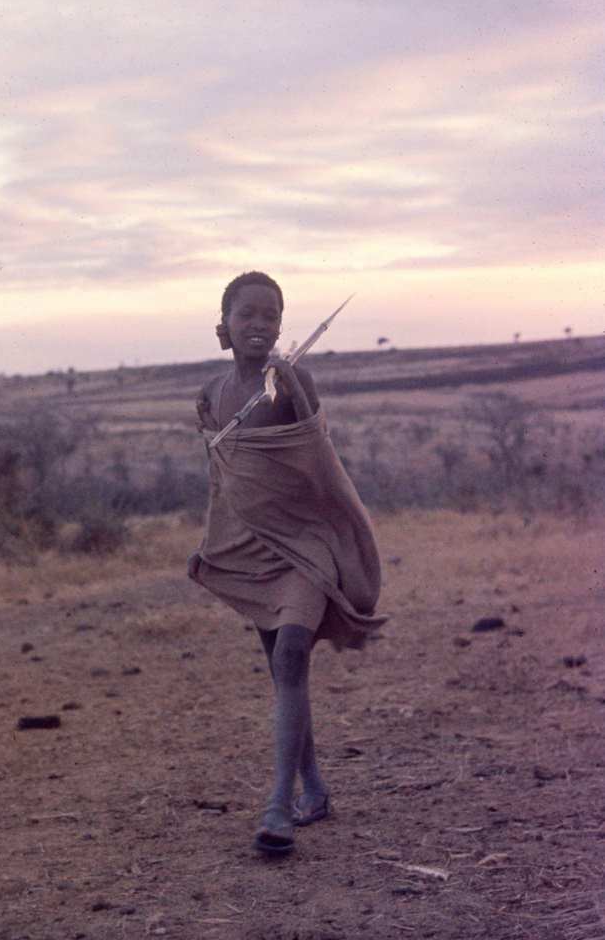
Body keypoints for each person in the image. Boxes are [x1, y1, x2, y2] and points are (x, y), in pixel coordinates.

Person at [188, 271, 385, 856]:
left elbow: (319, 463)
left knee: (293, 655)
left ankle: (277, 806)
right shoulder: (211, 396)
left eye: (270, 316)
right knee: (283, 670)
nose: (259, 324)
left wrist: (293, 387)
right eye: (247, 314)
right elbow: (226, 485)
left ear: (281, 326)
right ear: (224, 327)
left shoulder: (294, 382)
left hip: (307, 544)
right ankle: (315, 789)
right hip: (253, 551)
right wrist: (212, 544)